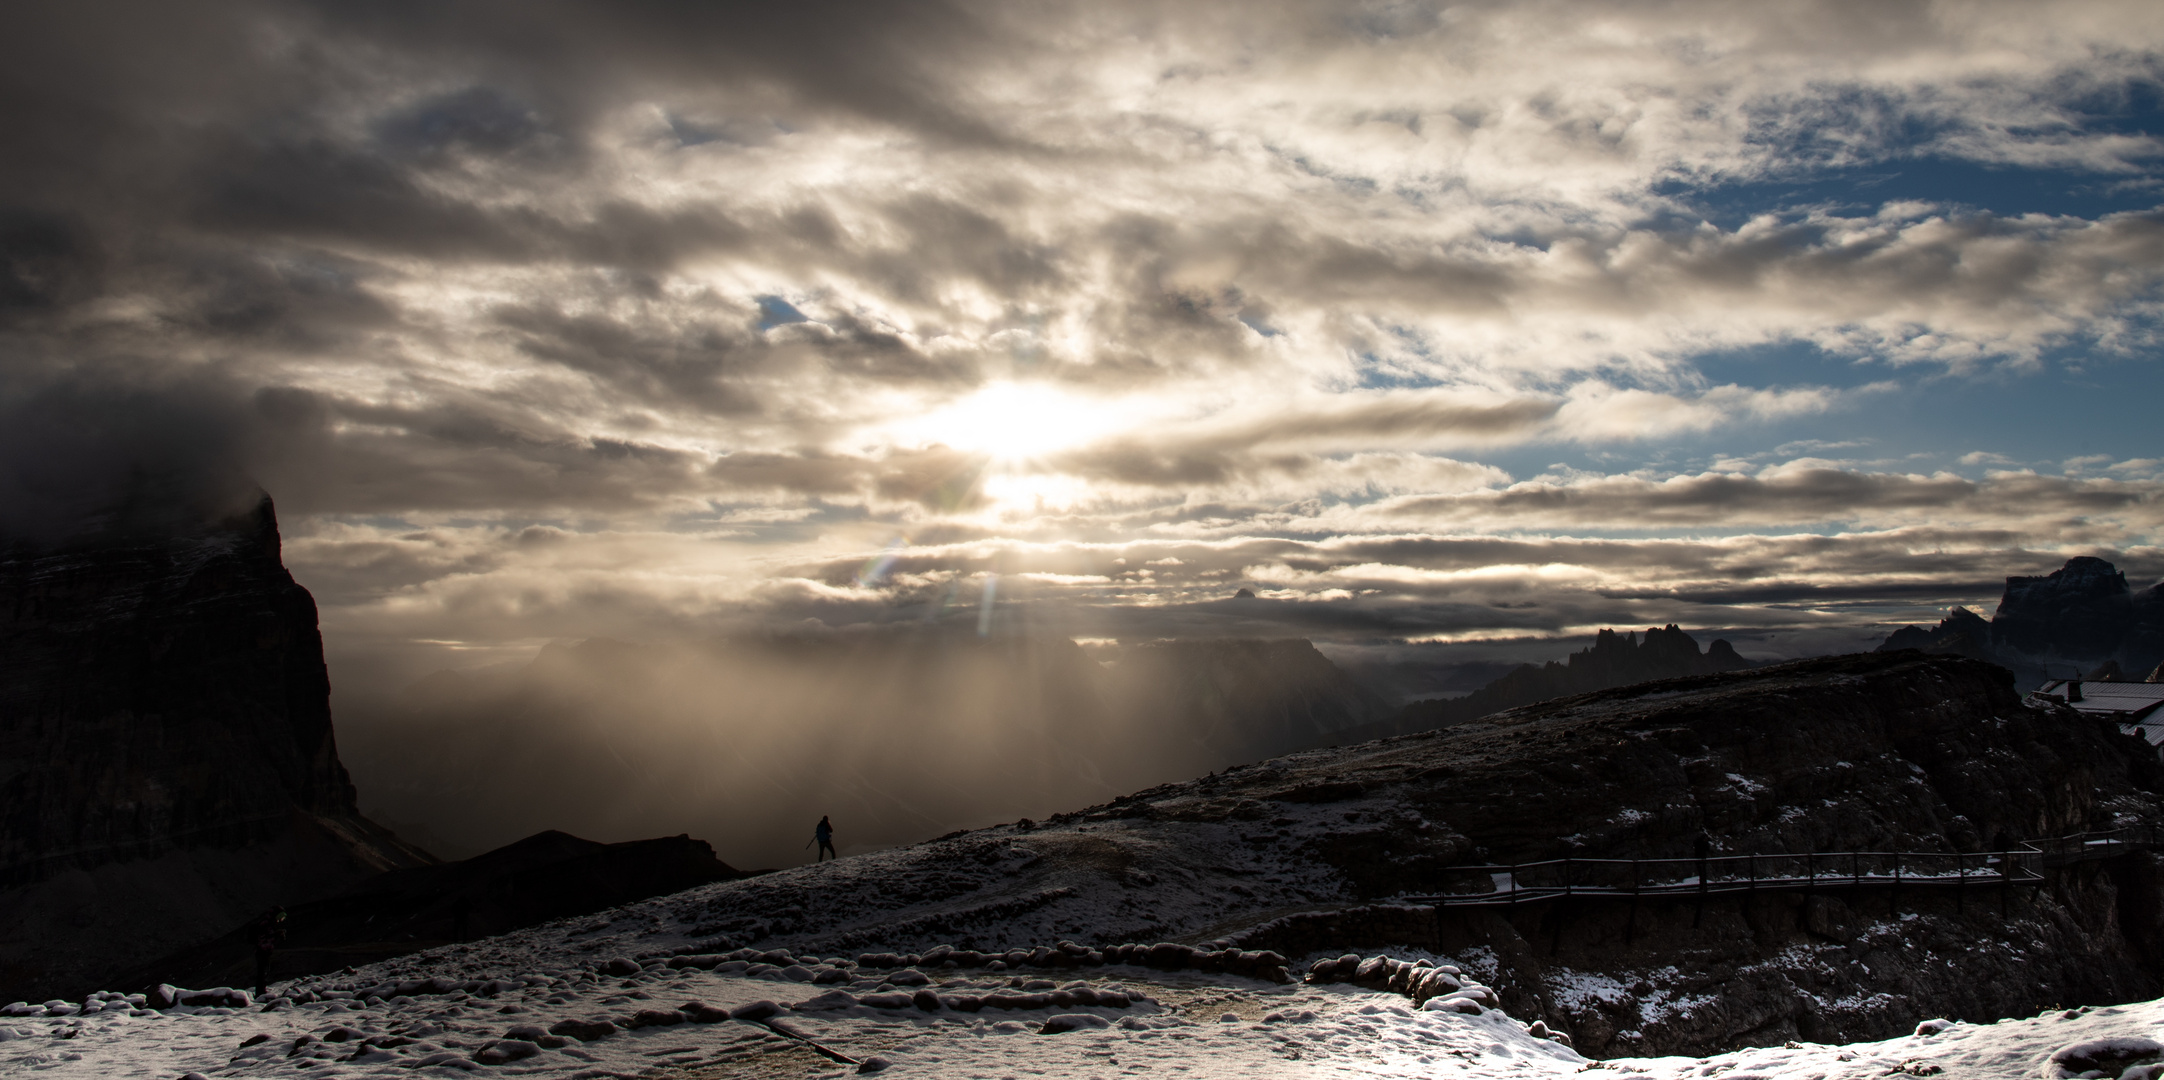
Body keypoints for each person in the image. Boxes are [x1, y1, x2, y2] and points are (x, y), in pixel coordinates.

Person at [251, 907, 288, 999]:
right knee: (262, 972)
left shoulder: (266, 921)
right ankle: (260, 993)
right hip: (262, 951)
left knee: (263, 971)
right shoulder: (267, 923)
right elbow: (266, 937)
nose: (280, 920)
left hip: (262, 950)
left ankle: (261, 991)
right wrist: (276, 935)